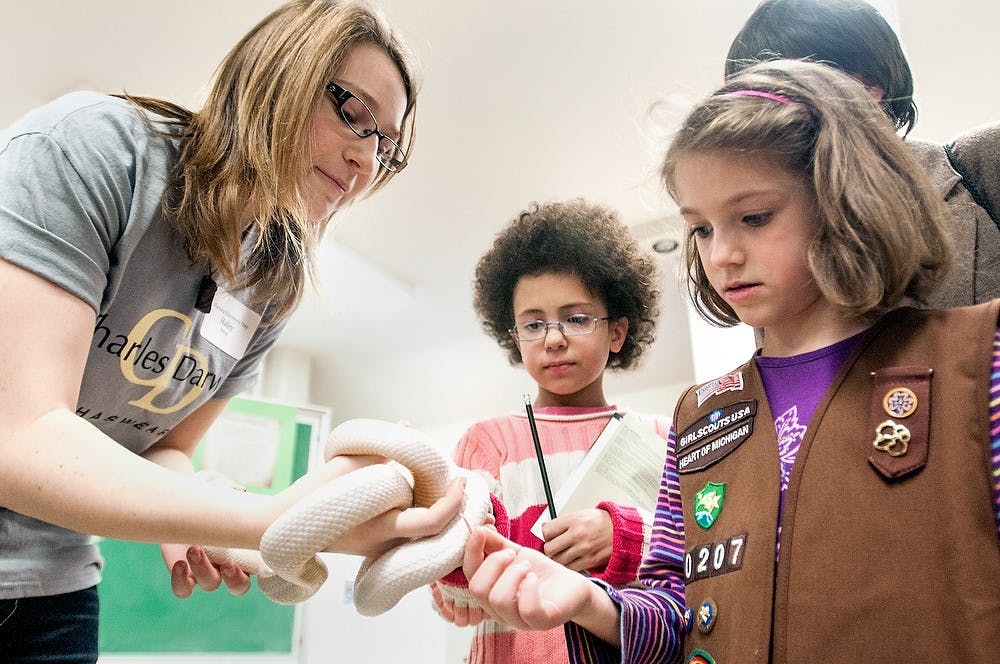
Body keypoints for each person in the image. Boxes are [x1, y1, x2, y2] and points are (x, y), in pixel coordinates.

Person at [461, 59, 1000, 663]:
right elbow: (674, 605)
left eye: (754, 217)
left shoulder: (976, 360)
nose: (723, 255)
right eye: (700, 229)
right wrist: (590, 602)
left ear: (843, 198)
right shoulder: (698, 416)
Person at [0, 1, 466, 660]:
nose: (365, 159)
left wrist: (203, 504)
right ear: (282, 72)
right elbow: (17, 437)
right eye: (354, 113)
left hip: (56, 585)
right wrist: (279, 519)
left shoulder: (272, 282)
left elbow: (163, 448)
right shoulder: (95, 150)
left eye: (384, 145)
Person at [429, 199, 675, 664]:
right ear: (514, 336)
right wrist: (457, 552)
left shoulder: (662, 438)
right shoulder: (488, 443)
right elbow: (457, 608)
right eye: (534, 323)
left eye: (577, 318)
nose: (553, 338)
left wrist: (624, 538)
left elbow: (694, 577)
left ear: (618, 332)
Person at [725, 0, 1000, 308]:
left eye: (790, 93)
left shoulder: (983, 163)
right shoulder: (778, 236)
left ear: (870, 84)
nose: (773, 119)